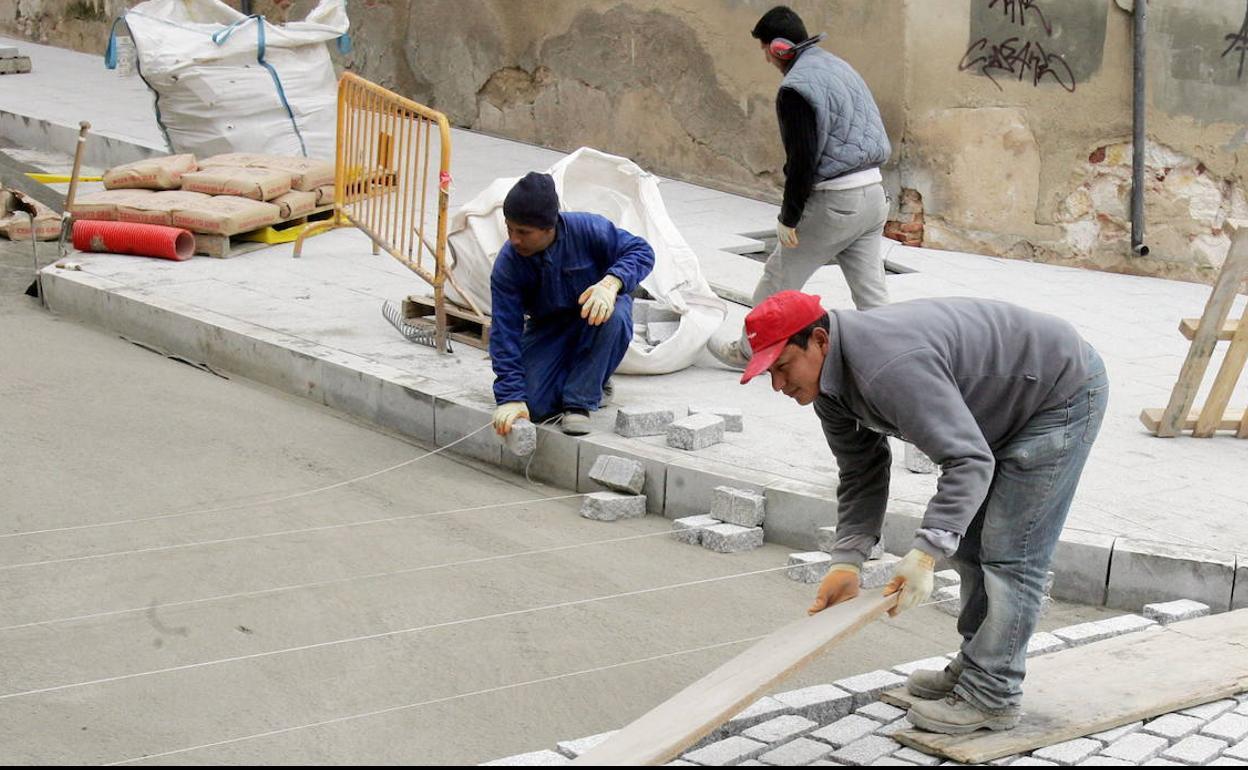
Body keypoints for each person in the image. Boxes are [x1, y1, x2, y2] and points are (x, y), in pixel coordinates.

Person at [739, 290, 1108, 735]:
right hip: (1001, 401)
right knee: (970, 545)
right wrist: (847, 560)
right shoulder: (829, 390)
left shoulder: (887, 368)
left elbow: (968, 461)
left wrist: (926, 551)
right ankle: (978, 666)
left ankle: (993, 693)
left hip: (1058, 392)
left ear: (819, 340)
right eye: (768, 375)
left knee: (1013, 553)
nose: (778, 386)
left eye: (782, 368)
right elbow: (861, 472)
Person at [712, 5, 892, 369]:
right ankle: (894, 353)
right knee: (871, 291)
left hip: (836, 202)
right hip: (873, 194)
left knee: (778, 278)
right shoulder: (838, 66)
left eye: (765, 50)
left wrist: (788, 217)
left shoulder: (796, 89)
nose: (765, 59)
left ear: (779, 48)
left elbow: (802, 162)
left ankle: (748, 353)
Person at [490, 172, 655, 436]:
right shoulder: (509, 263)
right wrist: (510, 397)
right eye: (509, 228)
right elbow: (503, 331)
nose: (514, 239)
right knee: (533, 405)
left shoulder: (588, 230)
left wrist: (611, 283)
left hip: (596, 317)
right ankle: (589, 377)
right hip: (549, 330)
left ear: (549, 227)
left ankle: (580, 401)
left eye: (523, 232)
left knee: (615, 316)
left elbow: (642, 251)